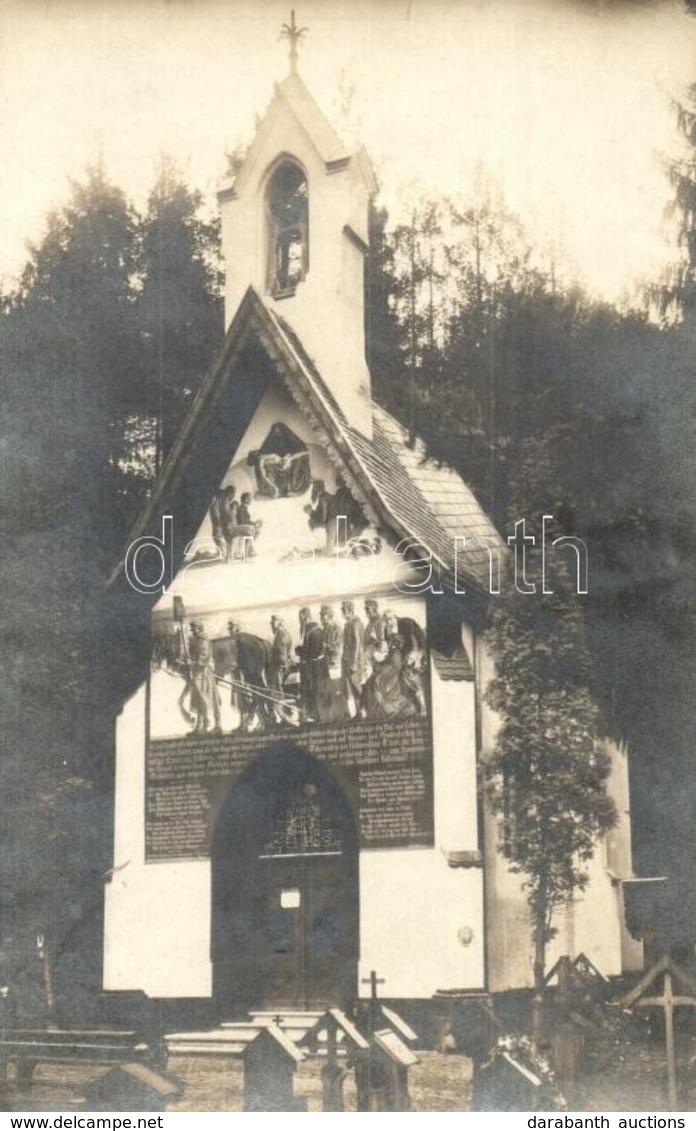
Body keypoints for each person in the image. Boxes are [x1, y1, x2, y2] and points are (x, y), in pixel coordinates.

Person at [187, 621, 222, 734]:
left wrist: (191, 662)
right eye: (192, 630)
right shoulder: (196, 639)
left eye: (194, 629)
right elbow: (193, 654)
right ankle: (200, 726)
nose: (192, 632)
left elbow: (204, 657)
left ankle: (217, 726)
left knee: (207, 700)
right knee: (199, 699)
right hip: (198, 674)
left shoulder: (204, 640)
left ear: (199, 629)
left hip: (204, 674)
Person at [295, 607, 325, 722]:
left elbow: (312, 652)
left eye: (301, 618)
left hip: (314, 667)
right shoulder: (306, 630)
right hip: (308, 666)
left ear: (305, 617)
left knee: (314, 690)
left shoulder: (314, 630)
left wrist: (299, 651)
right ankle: (310, 714)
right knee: (307, 690)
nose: (300, 621)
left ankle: (317, 715)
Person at [341, 599, 366, 717]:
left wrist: (354, 662)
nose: (342, 612)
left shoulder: (356, 623)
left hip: (354, 661)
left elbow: (357, 644)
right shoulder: (349, 623)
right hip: (348, 660)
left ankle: (364, 712)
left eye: (343, 610)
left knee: (357, 687)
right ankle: (358, 713)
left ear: (349, 610)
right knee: (350, 688)